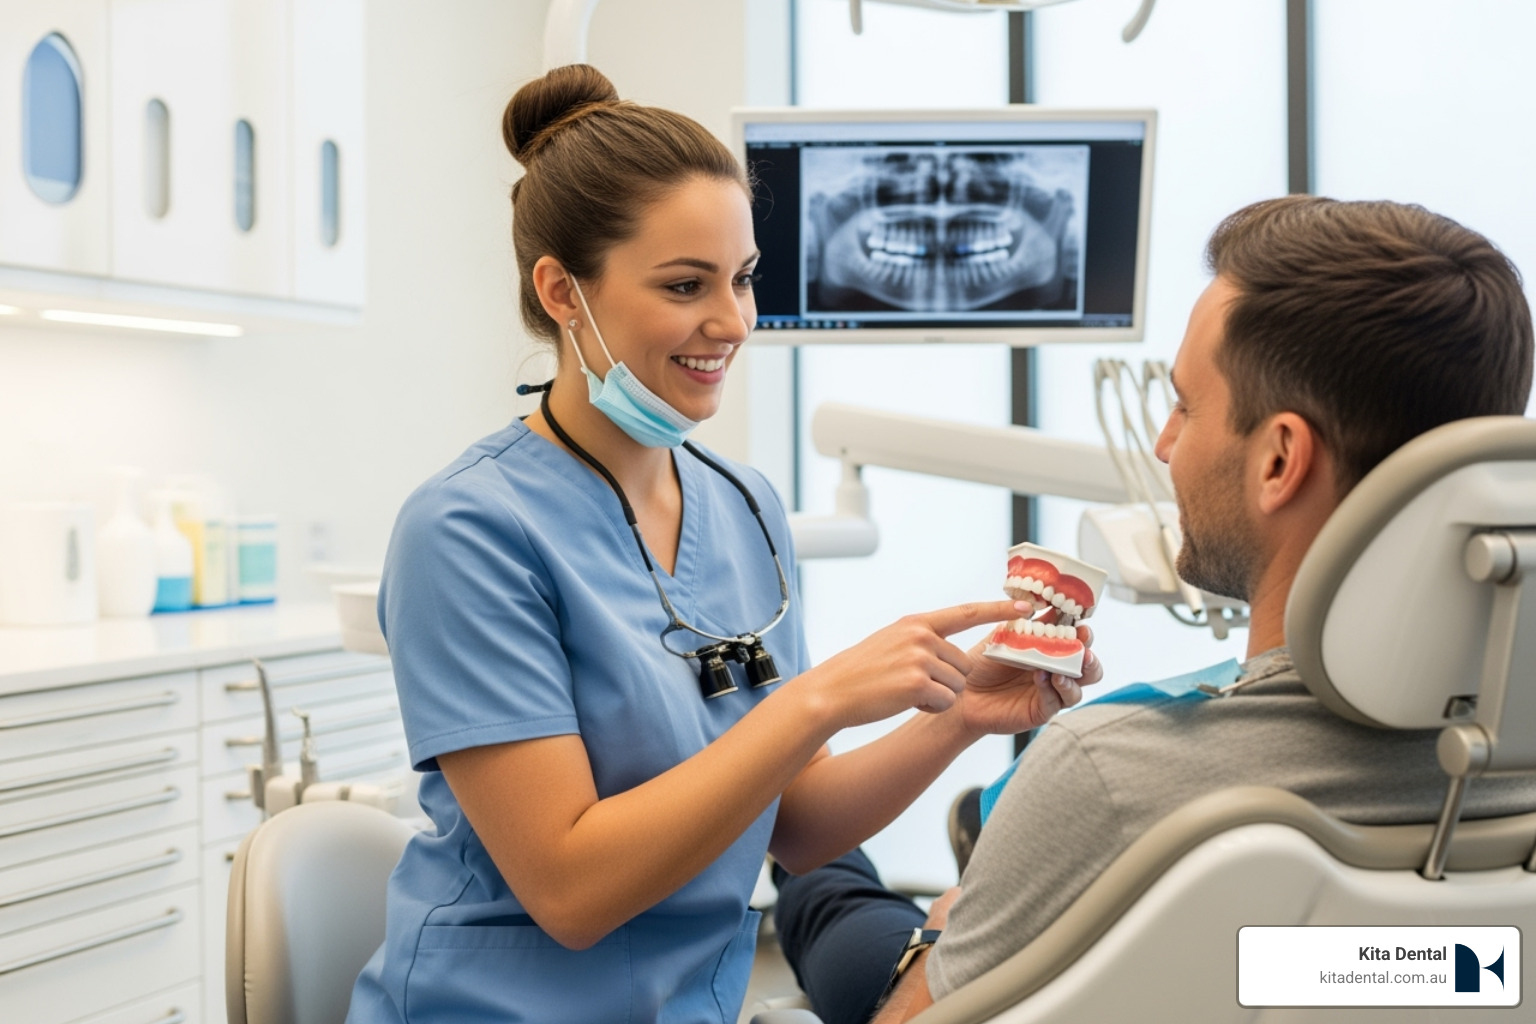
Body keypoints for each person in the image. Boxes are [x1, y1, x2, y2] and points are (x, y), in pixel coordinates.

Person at [343, 64, 1100, 1024]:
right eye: (684, 285)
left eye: (742, 279)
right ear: (563, 291)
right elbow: (571, 890)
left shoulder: (744, 507)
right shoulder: (469, 530)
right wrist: (818, 702)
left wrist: (958, 715)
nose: (732, 322)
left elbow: (797, 825)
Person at [772, 195, 1536, 1024]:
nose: (1167, 445)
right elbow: (1392, 973)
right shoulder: (1505, 769)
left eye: (1184, 406)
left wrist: (946, 937)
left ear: (1280, 458)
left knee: (826, 882)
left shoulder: (1107, 774)